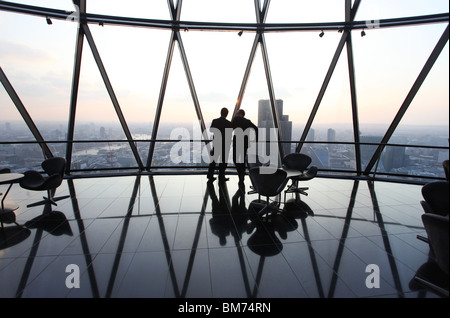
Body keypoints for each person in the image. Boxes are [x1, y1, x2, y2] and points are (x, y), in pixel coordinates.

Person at [232, 109, 258, 184]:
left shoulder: (236, 120)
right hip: (244, 143)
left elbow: (230, 129)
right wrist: (256, 139)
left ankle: (240, 173)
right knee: (242, 160)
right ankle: (242, 175)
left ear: (239, 114)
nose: (236, 114)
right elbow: (256, 128)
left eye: (237, 113)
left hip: (237, 142)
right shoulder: (247, 121)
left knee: (235, 159)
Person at [207, 107, 232, 183]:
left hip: (217, 143)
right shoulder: (229, 123)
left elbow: (211, 129)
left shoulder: (215, 121)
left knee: (213, 161)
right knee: (223, 162)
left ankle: (210, 175)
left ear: (220, 113)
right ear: (227, 114)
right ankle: (221, 176)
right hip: (224, 145)